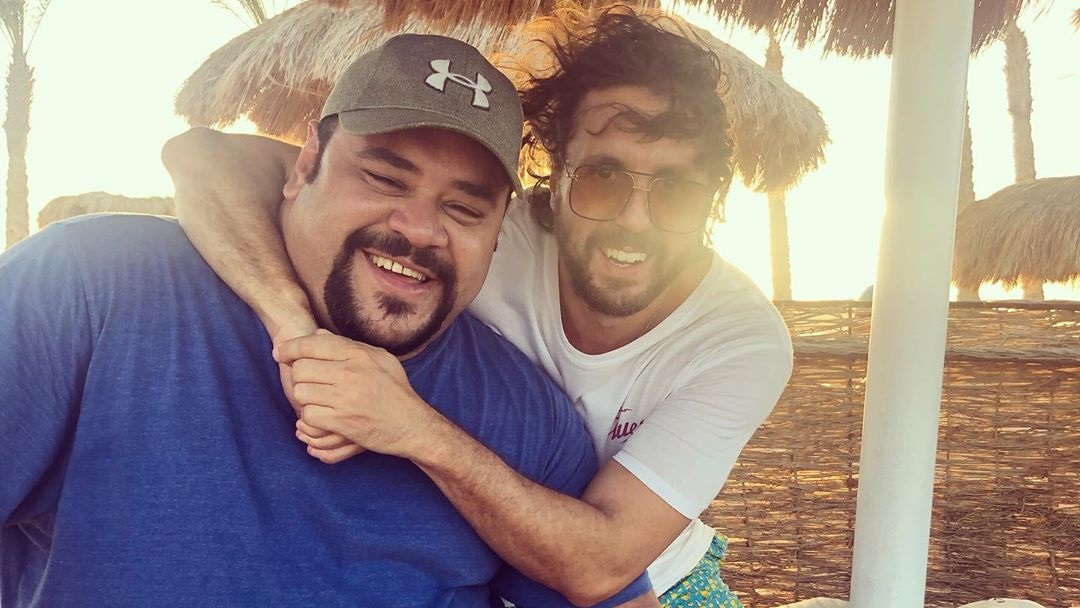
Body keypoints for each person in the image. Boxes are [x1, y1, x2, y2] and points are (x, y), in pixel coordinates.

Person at [163, 7, 793, 607]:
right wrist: (294, 330)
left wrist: (409, 425)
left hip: (655, 577)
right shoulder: (470, 228)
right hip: (476, 546)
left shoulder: (739, 342)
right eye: (602, 177)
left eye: (676, 192)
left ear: (714, 199)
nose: (634, 221)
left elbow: (599, 568)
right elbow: (208, 160)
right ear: (556, 172)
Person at [0, 33, 653, 608]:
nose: (418, 229)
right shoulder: (91, 285)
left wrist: (423, 436)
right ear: (304, 164)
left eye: (464, 209)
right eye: (385, 178)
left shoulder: (524, 416)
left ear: (498, 231)